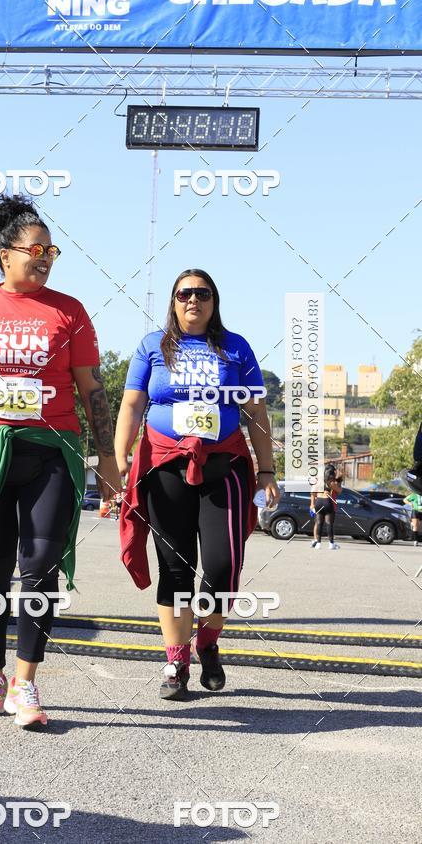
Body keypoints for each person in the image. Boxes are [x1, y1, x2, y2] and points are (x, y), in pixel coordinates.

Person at [0, 194, 120, 729]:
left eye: (52, 249)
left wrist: (109, 460)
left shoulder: (69, 311)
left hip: (53, 452)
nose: (46, 257)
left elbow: (92, 389)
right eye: (37, 248)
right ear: (5, 253)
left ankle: (25, 682)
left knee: (40, 569)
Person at [116, 269, 280, 700]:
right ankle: (175, 660)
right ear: (173, 301)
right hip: (165, 465)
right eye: (185, 293)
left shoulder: (235, 347)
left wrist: (267, 471)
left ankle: (207, 640)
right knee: (175, 567)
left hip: (223, 465)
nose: (194, 300)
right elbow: (131, 405)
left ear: (214, 301)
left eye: (203, 293)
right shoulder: (152, 346)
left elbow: (257, 415)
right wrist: (119, 461)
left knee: (223, 567)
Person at [309, 464, 343, 550]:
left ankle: (318, 544)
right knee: (329, 524)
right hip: (327, 502)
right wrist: (339, 480)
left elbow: (312, 492)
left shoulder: (318, 481)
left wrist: (312, 504)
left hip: (319, 502)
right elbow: (339, 491)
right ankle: (331, 544)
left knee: (319, 523)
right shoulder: (331, 482)